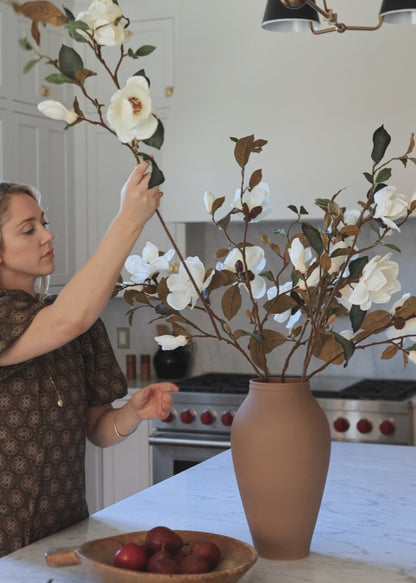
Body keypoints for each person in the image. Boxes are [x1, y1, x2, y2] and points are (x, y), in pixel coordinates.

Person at [0, 163, 179, 557]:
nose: (48, 235)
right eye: (29, 229)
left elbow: (97, 428)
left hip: (65, 534)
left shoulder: (76, 328)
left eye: (44, 223)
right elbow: (68, 318)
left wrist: (131, 413)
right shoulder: (38, 320)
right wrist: (129, 218)